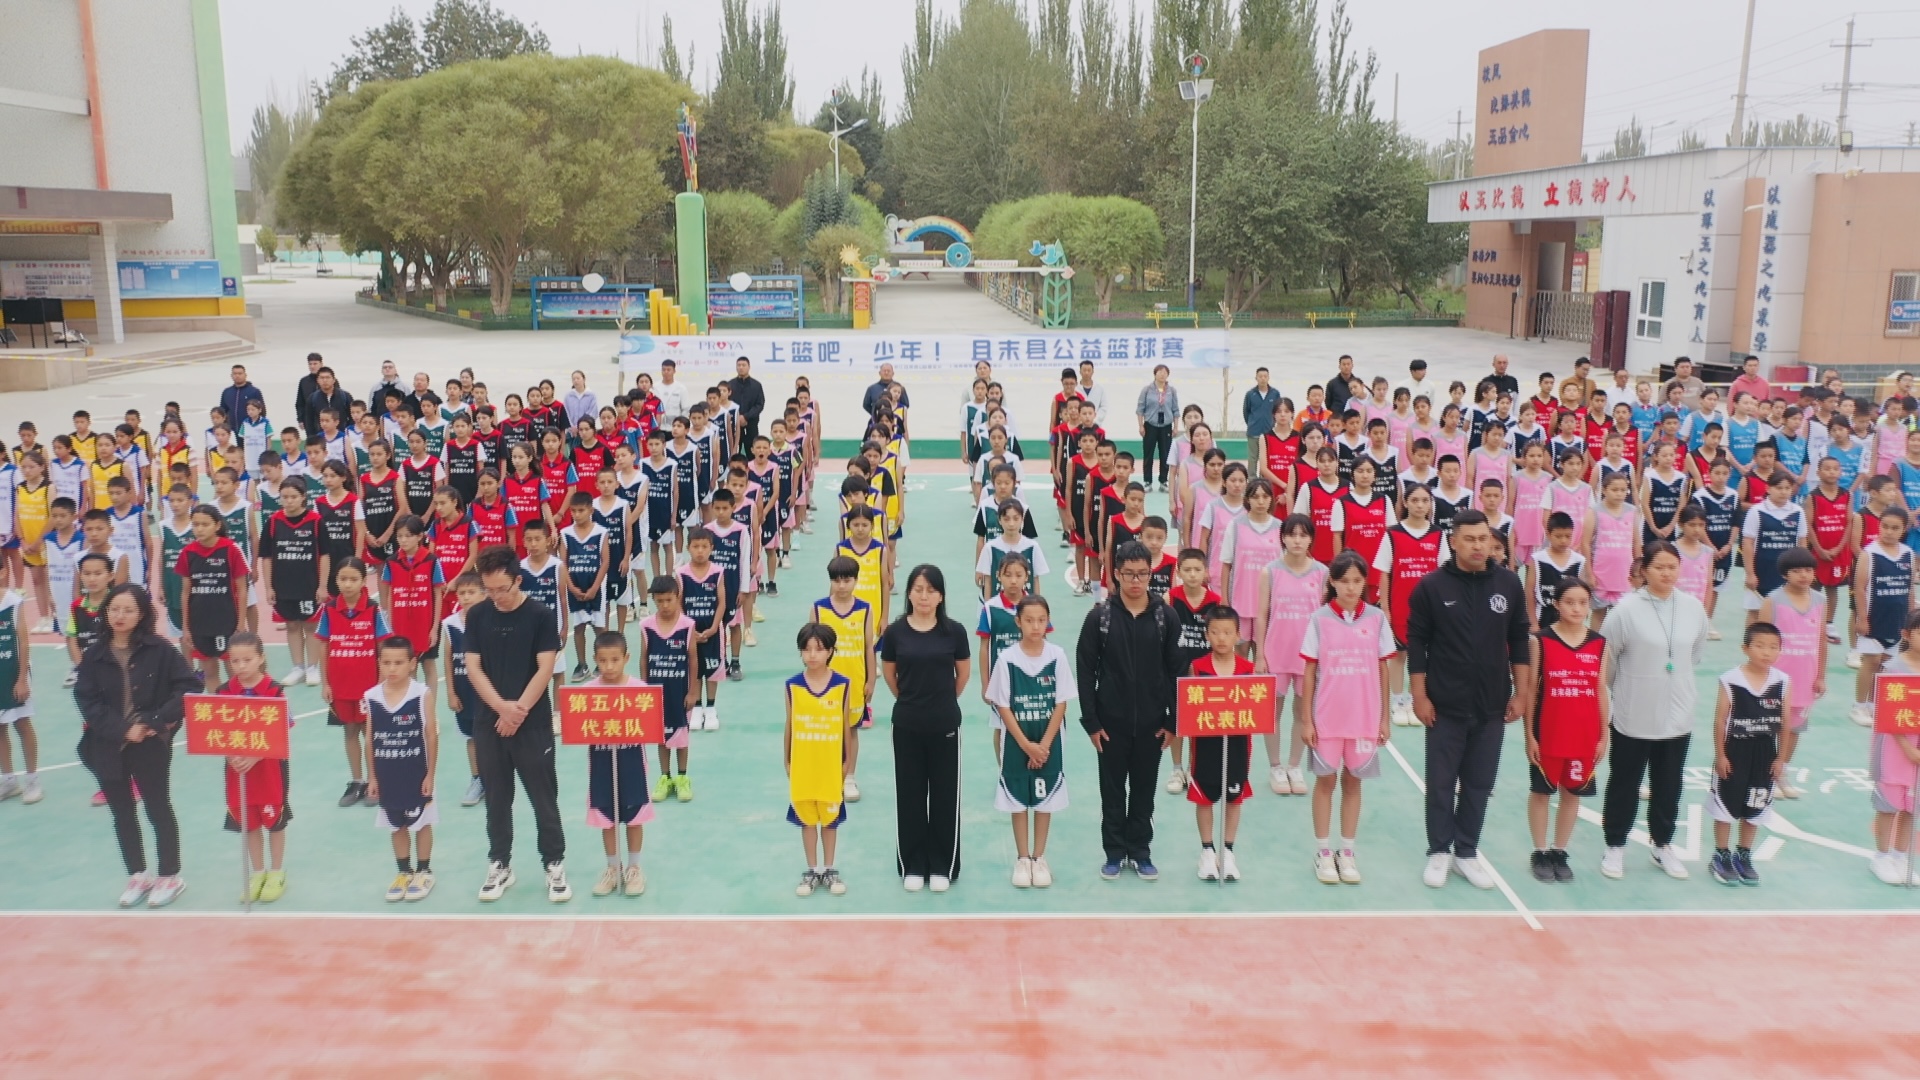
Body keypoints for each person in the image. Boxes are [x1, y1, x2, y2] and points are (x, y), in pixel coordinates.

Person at [1406, 510, 1532, 890]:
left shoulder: (1508, 583)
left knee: (1479, 783)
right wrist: (1419, 695)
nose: (1479, 546)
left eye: (1484, 539)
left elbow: (1519, 640)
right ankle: (1439, 851)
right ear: (1454, 542)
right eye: (1470, 539)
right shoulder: (1432, 587)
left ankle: (1466, 851)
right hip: (1444, 706)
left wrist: (1522, 692)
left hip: (1492, 705)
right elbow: (1417, 645)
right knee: (1441, 783)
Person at [76, 583, 199, 908]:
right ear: (106, 612)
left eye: (128, 610)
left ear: (142, 614)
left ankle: (169, 875)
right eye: (114, 609)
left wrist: (155, 721)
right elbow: (87, 701)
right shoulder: (94, 655)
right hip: (108, 745)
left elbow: (188, 686)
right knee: (122, 812)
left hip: (149, 744)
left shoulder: (159, 649)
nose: (120, 615)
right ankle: (138, 874)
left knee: (158, 807)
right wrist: (123, 730)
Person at [1598, 542, 1711, 881]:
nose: (1666, 573)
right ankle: (1615, 844)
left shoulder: (1692, 607)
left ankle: (1662, 844)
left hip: (1678, 712)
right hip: (1635, 711)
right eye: (1659, 567)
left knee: (1669, 782)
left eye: (1672, 567)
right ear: (1644, 570)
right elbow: (1607, 662)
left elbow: (1695, 654)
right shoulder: (1625, 611)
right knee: (1625, 781)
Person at [465, 544, 568, 903]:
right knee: (496, 798)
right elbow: (473, 667)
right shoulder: (478, 615)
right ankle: (500, 864)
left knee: (543, 797)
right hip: (489, 723)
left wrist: (518, 711)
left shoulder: (540, 615)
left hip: (532, 723)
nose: (496, 597)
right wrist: (500, 709)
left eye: (502, 589)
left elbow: (545, 668)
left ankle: (554, 864)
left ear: (518, 580)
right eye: (489, 590)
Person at [1075, 540, 1182, 881]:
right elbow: (1085, 670)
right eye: (1129, 574)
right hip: (1110, 724)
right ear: (1116, 574)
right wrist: (1092, 722)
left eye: (1143, 574)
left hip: (1153, 723)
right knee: (1112, 791)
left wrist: (1174, 721)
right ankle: (1113, 852)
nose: (1136, 581)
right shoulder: (1099, 618)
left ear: (1151, 574)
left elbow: (1176, 671)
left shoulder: (1166, 617)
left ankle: (1140, 851)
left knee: (1144, 791)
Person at [1299, 550, 1395, 885]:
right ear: (1333, 582)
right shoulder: (1319, 619)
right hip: (1326, 719)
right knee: (1325, 782)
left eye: (1357, 581)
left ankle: (1348, 851)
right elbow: (1309, 672)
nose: (1351, 588)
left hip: (1364, 719)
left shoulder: (1377, 619)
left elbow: (1383, 669)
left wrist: (1384, 718)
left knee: (1353, 782)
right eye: (1344, 581)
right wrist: (1307, 720)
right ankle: (1323, 851)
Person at [880, 563, 972, 892]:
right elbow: (890, 674)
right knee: (911, 796)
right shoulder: (895, 633)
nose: (924, 596)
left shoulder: (955, 632)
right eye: (918, 589)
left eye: (931, 590)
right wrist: (912, 700)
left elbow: (962, 675)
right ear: (908, 593)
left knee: (945, 797)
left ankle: (942, 865)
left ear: (941, 596)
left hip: (945, 724)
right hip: (907, 725)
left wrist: (941, 701)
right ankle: (913, 865)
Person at [986, 593, 1076, 889]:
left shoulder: (1057, 656)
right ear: (1018, 622)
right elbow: (1003, 707)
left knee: (1045, 798)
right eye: (1029, 620)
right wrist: (1027, 746)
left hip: (1049, 742)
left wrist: (1044, 745)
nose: (1036, 626)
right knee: (1017, 798)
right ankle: (1022, 858)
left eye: (1041, 620)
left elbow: (1061, 703)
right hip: (1017, 742)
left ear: (1048, 621)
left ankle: (1039, 857)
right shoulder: (1007, 659)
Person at [1524, 580, 1608, 883]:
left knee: (1573, 793)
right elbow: (1532, 690)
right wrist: (1529, 735)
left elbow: (1600, 690)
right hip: (1548, 732)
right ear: (1556, 604)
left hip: (1584, 734)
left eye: (1583, 602)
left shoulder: (1599, 643)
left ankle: (1560, 850)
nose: (1577, 608)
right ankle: (1540, 850)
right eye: (1570, 602)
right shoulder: (1541, 641)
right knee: (1541, 792)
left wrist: (1604, 736)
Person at [1708, 622, 1787, 887]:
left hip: (1765, 752)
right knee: (1726, 804)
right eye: (1760, 646)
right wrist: (1721, 755)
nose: (1767, 652)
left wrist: (1780, 758)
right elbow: (1720, 720)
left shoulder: (1782, 681)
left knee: (1756, 804)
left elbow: (1785, 723)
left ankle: (1744, 854)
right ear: (1745, 648)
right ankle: (1721, 854)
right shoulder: (1731, 679)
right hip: (1735, 749)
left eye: (1773, 647)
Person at [217, 633, 291, 902]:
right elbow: (215, 731)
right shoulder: (224, 692)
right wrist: (230, 755)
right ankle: (258, 872)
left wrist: (256, 756)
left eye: (247, 660)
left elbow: (283, 730)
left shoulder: (274, 691)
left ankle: (277, 872)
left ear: (261, 658)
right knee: (249, 823)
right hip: (237, 769)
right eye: (235, 661)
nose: (241, 666)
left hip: (269, 769)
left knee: (275, 822)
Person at [366, 637, 438, 902]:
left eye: (398, 663)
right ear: (379, 664)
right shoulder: (372, 696)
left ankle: (424, 870)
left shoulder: (421, 694)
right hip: (387, 773)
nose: (392, 668)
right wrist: (372, 776)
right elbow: (370, 738)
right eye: (386, 663)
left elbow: (431, 735)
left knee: (422, 821)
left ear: (412, 663)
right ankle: (404, 871)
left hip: (416, 771)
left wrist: (430, 774)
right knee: (395, 825)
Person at [1186, 604, 1254, 882]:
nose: (1221, 638)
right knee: (1205, 797)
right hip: (1205, 746)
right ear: (1207, 635)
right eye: (1215, 632)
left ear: (1238, 634)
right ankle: (1207, 851)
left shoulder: (1248, 670)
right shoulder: (1198, 667)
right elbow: (1189, 708)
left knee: (1234, 798)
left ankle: (1228, 851)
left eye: (1227, 632)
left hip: (1237, 745)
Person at [581, 630, 651, 898]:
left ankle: (634, 868)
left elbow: (650, 725)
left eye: (615, 660)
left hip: (632, 762)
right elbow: (578, 727)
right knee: (606, 819)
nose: (609, 667)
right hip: (601, 763)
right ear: (595, 660)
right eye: (602, 661)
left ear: (626, 658)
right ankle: (612, 868)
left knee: (634, 817)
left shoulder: (640, 690)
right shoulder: (587, 693)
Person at [788, 622, 854, 898]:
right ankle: (811, 870)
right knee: (806, 820)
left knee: (829, 820)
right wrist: (787, 761)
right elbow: (790, 725)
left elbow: (845, 726)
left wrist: (846, 763)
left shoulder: (842, 684)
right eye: (807, 649)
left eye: (819, 649)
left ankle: (829, 868)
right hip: (803, 765)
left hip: (830, 766)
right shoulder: (793, 686)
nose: (812, 655)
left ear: (830, 651)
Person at [0, 583, 36, 805]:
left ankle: (33, 780)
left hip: (13, 671)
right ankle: (9, 780)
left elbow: (23, 642)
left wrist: (22, 678)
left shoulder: (13, 602)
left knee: (22, 724)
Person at [1136, 364, 1180, 491]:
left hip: (1166, 426)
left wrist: (1175, 427)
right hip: (1150, 425)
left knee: (1165, 454)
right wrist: (1140, 425)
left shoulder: (1172, 391)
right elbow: (1140, 409)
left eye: (1165, 372)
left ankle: (1163, 481)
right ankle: (1147, 482)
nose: (1162, 374)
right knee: (1148, 453)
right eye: (1160, 372)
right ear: (1155, 374)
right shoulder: (1147, 390)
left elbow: (1175, 409)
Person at [1242, 368, 1281, 466]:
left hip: (1269, 432)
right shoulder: (1250, 394)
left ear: (1268, 378)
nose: (1263, 378)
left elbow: (1278, 410)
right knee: (1252, 458)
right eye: (1260, 376)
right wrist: (1251, 423)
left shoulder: (1275, 393)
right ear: (1256, 378)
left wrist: (1273, 424)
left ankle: (1264, 476)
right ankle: (1251, 476)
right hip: (1253, 432)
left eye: (1265, 376)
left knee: (1267, 458)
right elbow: (1246, 412)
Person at [729, 356, 767, 444]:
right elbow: (727, 404)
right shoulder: (730, 385)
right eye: (739, 365)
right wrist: (737, 417)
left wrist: (746, 417)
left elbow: (759, 404)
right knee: (735, 451)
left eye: (743, 365)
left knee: (752, 450)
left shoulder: (756, 385)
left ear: (749, 367)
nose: (741, 367)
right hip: (734, 425)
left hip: (751, 425)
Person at [220, 364, 265, 435]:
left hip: (250, 431)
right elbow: (222, 412)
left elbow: (262, 411)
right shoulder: (227, 392)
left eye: (240, 373)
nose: (237, 376)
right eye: (235, 374)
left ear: (245, 375)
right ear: (231, 375)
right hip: (232, 432)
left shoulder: (254, 391)